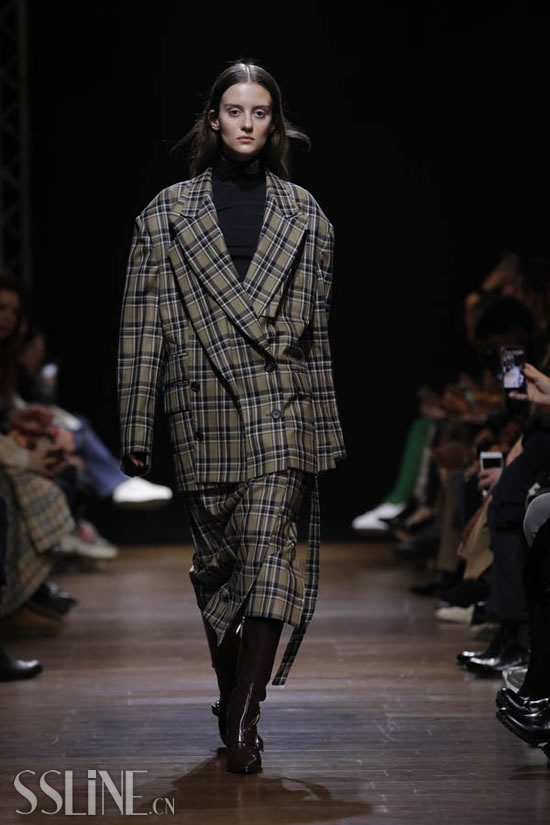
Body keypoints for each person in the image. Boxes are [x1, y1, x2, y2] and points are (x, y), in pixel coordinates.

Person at [117, 59, 346, 774]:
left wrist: (323, 425)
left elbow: (316, 332)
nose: (247, 123)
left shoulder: (306, 215)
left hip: (280, 403)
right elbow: (141, 328)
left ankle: (245, 715)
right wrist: (135, 426)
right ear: (213, 121)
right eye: (235, 111)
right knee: (220, 569)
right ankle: (230, 691)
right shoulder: (165, 215)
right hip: (202, 407)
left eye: (260, 111)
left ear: (274, 123)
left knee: (268, 551)